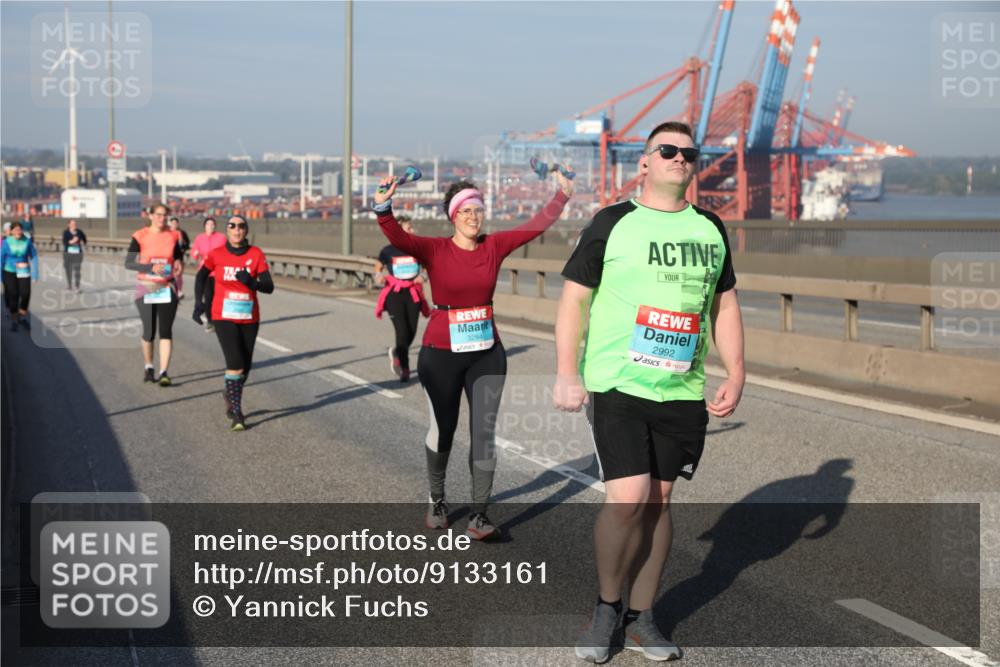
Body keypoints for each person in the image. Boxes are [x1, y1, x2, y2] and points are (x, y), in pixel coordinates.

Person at [555, 121, 744, 663]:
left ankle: (643, 618)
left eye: (689, 152)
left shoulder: (710, 227)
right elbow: (574, 300)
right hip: (617, 380)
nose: (679, 158)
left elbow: (723, 304)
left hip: (681, 388)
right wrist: (568, 371)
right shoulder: (613, 222)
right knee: (629, 498)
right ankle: (606, 608)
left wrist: (736, 371)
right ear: (644, 162)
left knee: (659, 503)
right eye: (667, 150)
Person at [374, 168, 573, 540]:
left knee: (483, 434)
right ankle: (437, 500)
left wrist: (561, 196)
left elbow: (533, 228)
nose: (472, 216)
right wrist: (384, 206)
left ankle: (479, 515)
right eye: (465, 211)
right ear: (453, 216)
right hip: (440, 354)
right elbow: (396, 235)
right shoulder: (434, 249)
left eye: (478, 210)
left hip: (486, 354)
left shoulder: (493, 247)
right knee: (444, 429)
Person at [192, 214, 274, 431]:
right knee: (235, 362)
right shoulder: (216, 254)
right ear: (227, 230)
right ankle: (237, 413)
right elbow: (201, 277)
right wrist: (198, 304)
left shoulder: (256, 254)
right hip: (223, 315)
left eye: (241, 227)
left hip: (249, 317)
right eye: (232, 226)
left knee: (245, 367)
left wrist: (252, 282)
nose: (236, 230)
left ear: (245, 231)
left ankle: (230, 393)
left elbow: (269, 286)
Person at [125, 202, 185, 386]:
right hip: (146, 286)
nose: (162, 219)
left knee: (166, 331)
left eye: (165, 215)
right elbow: (129, 263)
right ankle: (149, 366)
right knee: (149, 332)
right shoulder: (140, 236)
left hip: (166, 286)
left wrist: (178, 263)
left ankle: (164, 372)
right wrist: (150, 267)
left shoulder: (173, 235)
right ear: (150, 216)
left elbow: (177, 255)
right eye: (158, 215)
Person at [374, 215, 430, 382]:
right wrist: (379, 277)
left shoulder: (418, 249)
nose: (412, 230)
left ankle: (397, 351)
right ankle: (405, 367)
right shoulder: (388, 251)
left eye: (412, 227)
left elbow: (426, 267)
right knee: (402, 331)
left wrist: (423, 277)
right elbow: (378, 267)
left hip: (412, 293)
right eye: (409, 227)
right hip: (394, 294)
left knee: (412, 331)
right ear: (399, 231)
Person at [191, 216, 227, 332]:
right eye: (208, 224)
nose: (210, 226)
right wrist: (195, 253)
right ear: (204, 226)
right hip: (205, 271)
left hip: (218, 272)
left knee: (217, 298)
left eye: (212, 224)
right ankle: (210, 322)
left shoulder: (221, 238)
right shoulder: (199, 238)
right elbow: (193, 252)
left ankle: (218, 319)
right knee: (208, 297)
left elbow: (227, 251)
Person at [1, 222, 39, 332]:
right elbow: (1, 258)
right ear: (11, 231)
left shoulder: (27, 241)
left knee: (25, 294)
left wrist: (35, 274)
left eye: (20, 230)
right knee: (13, 295)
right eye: (16, 230)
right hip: (9, 271)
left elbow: (34, 256)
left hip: (24, 271)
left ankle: (22, 315)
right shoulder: (7, 242)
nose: (18, 232)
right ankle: (14, 319)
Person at [62, 219, 88, 292]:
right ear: (69, 225)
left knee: (77, 270)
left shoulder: (79, 232)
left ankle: (77, 286)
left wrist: (84, 244)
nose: (74, 225)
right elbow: (64, 242)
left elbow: (84, 238)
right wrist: (72, 241)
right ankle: (69, 285)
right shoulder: (66, 232)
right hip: (68, 254)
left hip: (78, 254)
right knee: (68, 270)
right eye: (72, 224)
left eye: (75, 224)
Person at [168, 216, 190, 298]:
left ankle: (179, 291)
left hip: (179, 257)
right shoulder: (167, 232)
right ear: (170, 223)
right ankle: (168, 290)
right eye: (173, 223)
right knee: (167, 275)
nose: (174, 224)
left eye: (176, 223)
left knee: (179, 275)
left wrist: (184, 247)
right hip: (167, 258)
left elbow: (187, 243)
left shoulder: (182, 233)